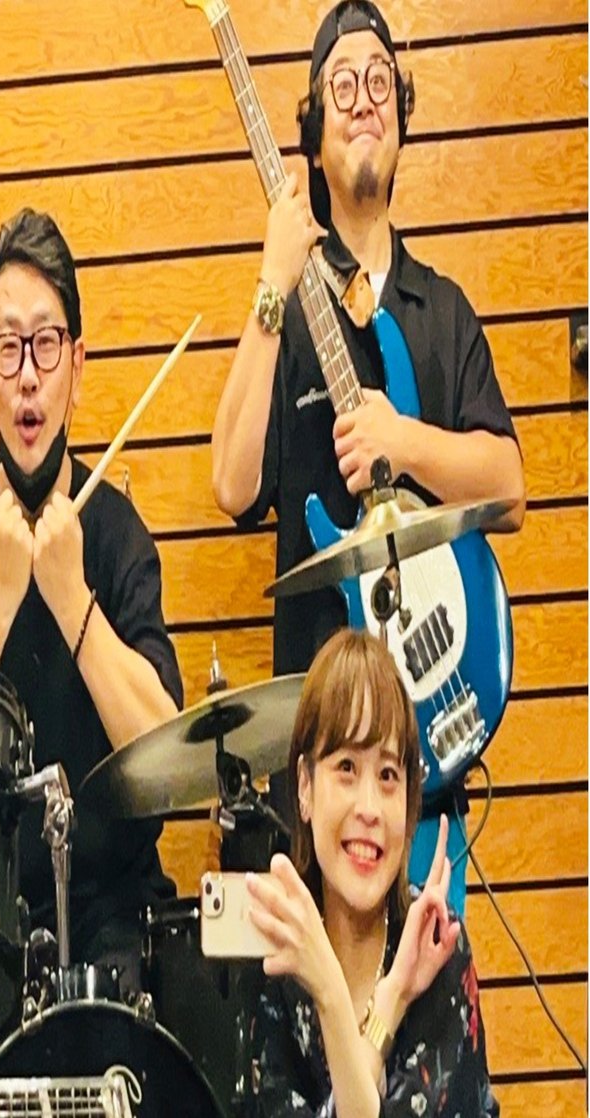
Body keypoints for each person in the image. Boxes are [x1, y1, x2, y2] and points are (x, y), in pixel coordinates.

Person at [209, 0, 524, 913]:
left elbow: (508, 486)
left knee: (431, 991)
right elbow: (230, 482)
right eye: (341, 84)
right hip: (322, 765)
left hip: (428, 752)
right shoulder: (284, 314)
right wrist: (271, 285)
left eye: (379, 81)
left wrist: (403, 440)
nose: (363, 99)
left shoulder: (442, 310)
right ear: (312, 131)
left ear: (401, 114)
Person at [0, 208, 181, 987]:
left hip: (113, 913)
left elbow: (166, 763)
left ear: (77, 367)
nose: (28, 374)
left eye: (47, 344)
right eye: (9, 346)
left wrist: (71, 598)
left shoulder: (116, 532)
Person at [247, 628, 498, 1117]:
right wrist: (386, 1002)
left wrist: (361, 999)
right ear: (304, 786)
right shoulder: (272, 964)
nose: (369, 808)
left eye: (387, 775)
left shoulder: (435, 944)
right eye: (346, 767)